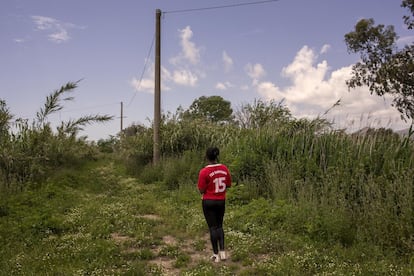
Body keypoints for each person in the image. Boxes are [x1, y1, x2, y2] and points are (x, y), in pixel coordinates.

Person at [198, 147, 232, 263]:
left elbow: (201, 190)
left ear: (206, 157)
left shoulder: (204, 171)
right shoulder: (224, 168)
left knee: (212, 227)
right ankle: (223, 253)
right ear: (217, 156)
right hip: (221, 201)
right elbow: (228, 184)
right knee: (219, 226)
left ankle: (215, 254)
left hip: (208, 202)